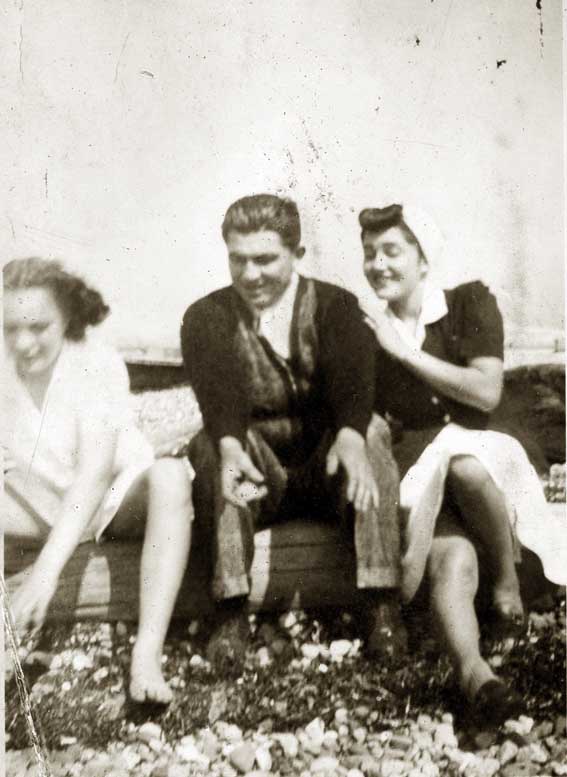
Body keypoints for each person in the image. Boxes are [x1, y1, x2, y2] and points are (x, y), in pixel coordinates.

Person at [358, 203, 567, 723]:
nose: (378, 264)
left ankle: (506, 585)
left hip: (486, 451)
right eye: (369, 253)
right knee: (452, 559)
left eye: (391, 251)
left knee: (467, 468)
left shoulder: (469, 303)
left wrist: (404, 352)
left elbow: (485, 391)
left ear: (423, 259)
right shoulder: (368, 331)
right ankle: (477, 678)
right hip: (421, 470)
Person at [181, 193, 404, 676]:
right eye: (238, 260)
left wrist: (350, 436)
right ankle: (231, 611)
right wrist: (230, 446)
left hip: (330, 477)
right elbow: (219, 396)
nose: (250, 274)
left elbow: (354, 381)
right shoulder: (207, 316)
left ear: (297, 255)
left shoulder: (336, 307)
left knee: (371, 432)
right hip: (259, 485)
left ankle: (381, 601)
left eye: (265, 259)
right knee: (214, 449)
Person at [3, 258, 194, 705]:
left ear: (67, 318)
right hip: (42, 505)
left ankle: (146, 656)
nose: (24, 343)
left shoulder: (95, 361)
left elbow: (95, 474)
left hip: (113, 498)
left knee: (170, 477)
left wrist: (45, 573)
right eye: (11, 328)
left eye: (39, 327)